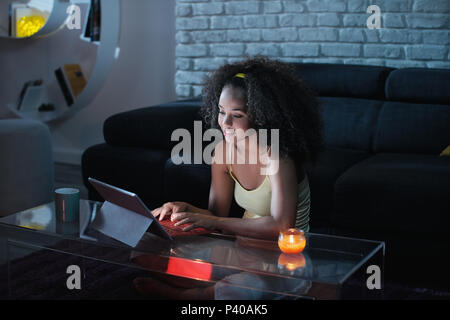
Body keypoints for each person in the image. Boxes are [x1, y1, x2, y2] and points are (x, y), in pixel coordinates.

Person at [133, 56, 323, 298]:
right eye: (222, 112)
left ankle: (187, 295)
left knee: (241, 289)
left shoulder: (278, 155)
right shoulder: (223, 151)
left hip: (284, 261)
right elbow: (216, 216)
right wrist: (183, 207)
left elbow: (280, 226)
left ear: (262, 116)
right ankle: (207, 287)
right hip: (240, 249)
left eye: (237, 115)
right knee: (144, 248)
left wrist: (216, 223)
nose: (225, 123)